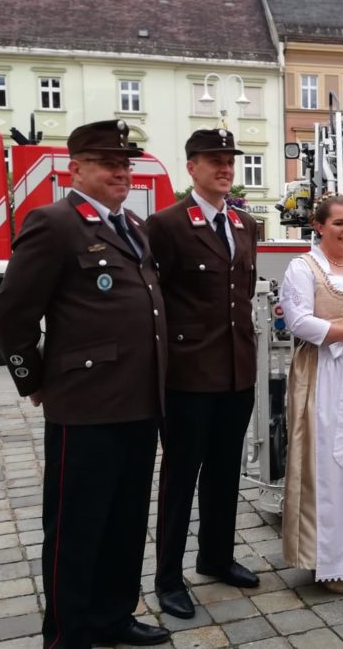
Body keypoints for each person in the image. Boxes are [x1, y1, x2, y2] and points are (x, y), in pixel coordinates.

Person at [0, 120, 170, 648]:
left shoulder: (132, 225)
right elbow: (10, 315)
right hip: (86, 405)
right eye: (108, 163)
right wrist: (35, 379)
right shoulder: (54, 222)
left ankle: (113, 616)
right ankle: (67, 633)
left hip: (139, 399)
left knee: (126, 518)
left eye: (125, 163)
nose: (121, 171)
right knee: (76, 526)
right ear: (77, 168)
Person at [145, 129, 260, 619]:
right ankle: (168, 576)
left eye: (230, 160)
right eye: (214, 160)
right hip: (188, 376)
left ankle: (215, 556)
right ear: (191, 167)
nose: (225, 168)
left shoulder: (244, 223)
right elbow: (154, 303)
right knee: (179, 478)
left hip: (237, 373)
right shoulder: (167, 224)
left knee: (224, 473)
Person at [279, 196, 343, 594]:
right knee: (328, 465)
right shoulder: (303, 267)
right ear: (318, 226)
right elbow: (298, 320)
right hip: (325, 373)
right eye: (339, 223)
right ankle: (328, 560)